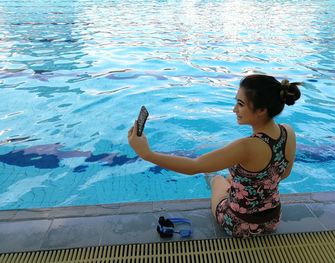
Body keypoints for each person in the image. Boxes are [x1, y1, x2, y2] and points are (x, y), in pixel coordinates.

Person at [128, 74, 301, 238]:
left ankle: (213, 180)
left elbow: (194, 166)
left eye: (240, 104)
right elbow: (283, 174)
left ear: (262, 109)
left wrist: (147, 154)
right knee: (233, 177)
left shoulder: (246, 147)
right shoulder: (288, 131)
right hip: (272, 220)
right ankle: (233, 182)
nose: (234, 109)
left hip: (240, 225)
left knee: (216, 178)